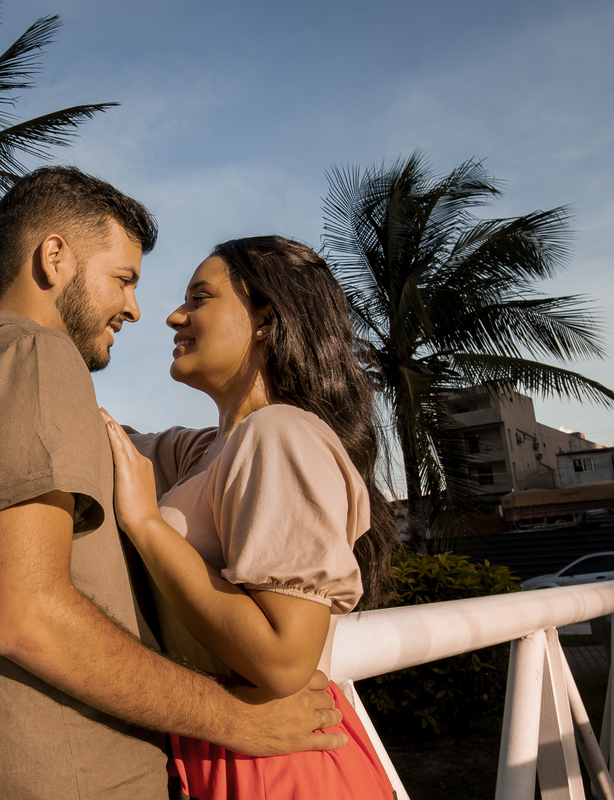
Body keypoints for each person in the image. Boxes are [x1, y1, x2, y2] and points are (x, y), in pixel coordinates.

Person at [0, 172, 347, 800]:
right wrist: (235, 719)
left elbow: (124, 444)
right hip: (70, 776)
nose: (142, 310)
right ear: (55, 256)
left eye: (196, 298)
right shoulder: (38, 358)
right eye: (124, 279)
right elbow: (27, 615)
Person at [101, 235, 399, 799]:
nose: (173, 315)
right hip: (237, 748)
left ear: (265, 319)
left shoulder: (278, 435)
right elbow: (104, 437)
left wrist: (147, 525)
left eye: (200, 297)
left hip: (277, 763)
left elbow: (286, 661)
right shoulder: (214, 449)